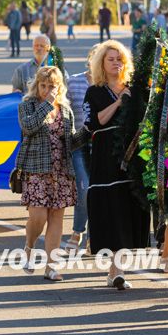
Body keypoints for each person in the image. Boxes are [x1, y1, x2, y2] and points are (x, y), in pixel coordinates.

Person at [85, 40, 149, 290]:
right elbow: (97, 121)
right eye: (110, 59)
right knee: (111, 209)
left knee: (127, 208)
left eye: (119, 59)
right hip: (104, 157)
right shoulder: (95, 91)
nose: (115, 63)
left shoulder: (134, 89)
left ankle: (116, 270)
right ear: (101, 62)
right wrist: (119, 101)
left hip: (131, 157)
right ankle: (116, 269)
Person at [16, 66, 83, 281]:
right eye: (43, 86)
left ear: (59, 86)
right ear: (37, 85)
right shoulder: (28, 106)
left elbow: (70, 141)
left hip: (61, 171)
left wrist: (88, 133)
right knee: (38, 217)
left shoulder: (65, 110)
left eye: (52, 86)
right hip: (36, 170)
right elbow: (28, 127)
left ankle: (51, 266)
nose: (47, 90)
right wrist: (46, 105)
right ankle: (29, 245)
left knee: (56, 218)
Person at [65, 45, 98, 252]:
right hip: (80, 143)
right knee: (84, 189)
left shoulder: (110, 84)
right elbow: (64, 108)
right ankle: (78, 232)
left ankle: (94, 237)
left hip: (104, 145)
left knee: (99, 192)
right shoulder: (74, 81)